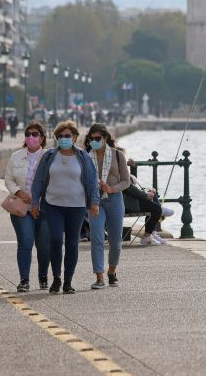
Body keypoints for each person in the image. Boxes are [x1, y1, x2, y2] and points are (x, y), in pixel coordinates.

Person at [30, 120, 99, 295]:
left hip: (76, 206)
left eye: (67, 136)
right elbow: (38, 180)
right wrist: (35, 203)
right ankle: (56, 278)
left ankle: (68, 281)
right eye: (60, 136)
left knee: (72, 243)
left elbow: (92, 182)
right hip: (53, 205)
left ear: (75, 137)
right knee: (55, 240)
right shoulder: (49, 156)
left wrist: (94, 202)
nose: (63, 139)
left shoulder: (83, 157)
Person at [4, 121, 50, 292]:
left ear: (42, 137)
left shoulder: (49, 156)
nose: (31, 137)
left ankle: (43, 276)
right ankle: (24, 279)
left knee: (44, 245)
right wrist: (18, 192)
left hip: (44, 209)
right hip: (22, 209)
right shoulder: (16, 156)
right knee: (25, 242)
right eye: (28, 134)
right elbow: (8, 179)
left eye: (35, 134)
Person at [83, 123, 130, 289]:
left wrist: (111, 188)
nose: (94, 141)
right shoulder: (86, 157)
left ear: (106, 138)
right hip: (95, 201)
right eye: (91, 139)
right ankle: (99, 276)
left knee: (116, 240)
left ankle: (112, 272)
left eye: (98, 138)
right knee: (96, 237)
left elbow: (126, 181)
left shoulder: (118, 156)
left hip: (115, 199)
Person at [122, 158, 167, 246]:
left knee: (153, 198)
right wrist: (145, 195)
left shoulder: (118, 169)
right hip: (127, 204)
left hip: (129, 201)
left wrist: (133, 167)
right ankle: (147, 237)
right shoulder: (118, 170)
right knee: (156, 209)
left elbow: (132, 182)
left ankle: (152, 234)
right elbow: (130, 188)